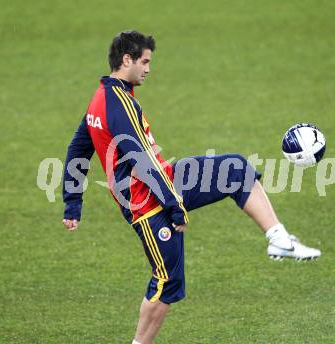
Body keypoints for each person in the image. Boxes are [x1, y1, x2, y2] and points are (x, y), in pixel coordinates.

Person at [62, 30, 321, 344]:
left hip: (164, 181)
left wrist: (72, 203)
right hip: (147, 203)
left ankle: (278, 239)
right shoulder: (118, 104)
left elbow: (78, 149)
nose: (148, 68)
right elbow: (143, 161)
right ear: (126, 59)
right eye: (144, 61)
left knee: (235, 169)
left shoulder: (101, 98)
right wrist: (174, 206)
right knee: (167, 283)